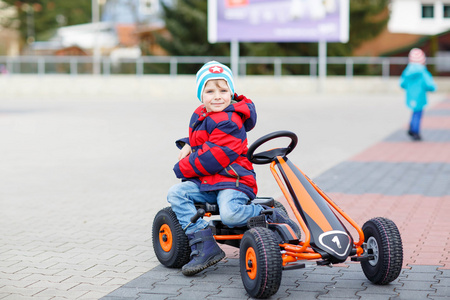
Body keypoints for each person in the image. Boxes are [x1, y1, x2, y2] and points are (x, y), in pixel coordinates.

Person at [167, 61, 298, 276]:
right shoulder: (201, 114)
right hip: (209, 181)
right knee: (176, 194)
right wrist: (188, 143)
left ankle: (268, 213)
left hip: (233, 181)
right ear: (201, 96)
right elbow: (202, 138)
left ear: (232, 92)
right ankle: (204, 244)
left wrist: (181, 168)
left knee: (230, 215)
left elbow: (213, 158)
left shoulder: (231, 120)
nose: (217, 96)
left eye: (223, 90)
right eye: (210, 91)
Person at [400, 48, 437, 141]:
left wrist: (408, 87)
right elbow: (430, 84)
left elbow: (402, 83)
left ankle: (412, 127)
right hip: (420, 95)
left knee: (414, 112)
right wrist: (432, 88)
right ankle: (415, 131)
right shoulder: (423, 72)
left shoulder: (407, 71)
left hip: (410, 95)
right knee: (418, 113)